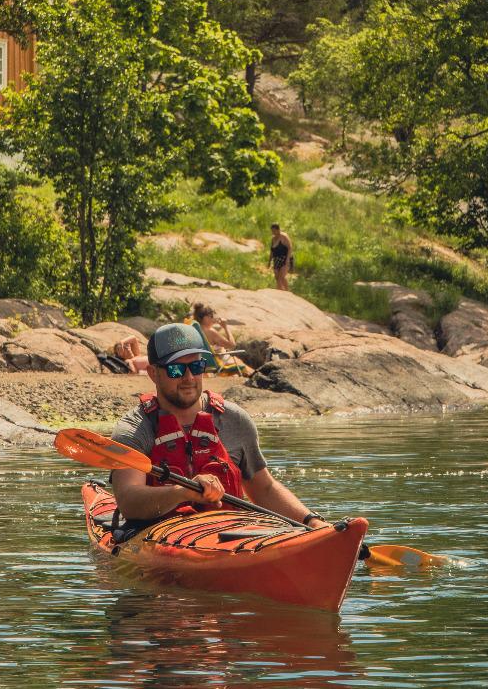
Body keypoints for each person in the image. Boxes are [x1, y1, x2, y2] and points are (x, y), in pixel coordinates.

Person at [109, 323, 326, 531]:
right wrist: (182, 492)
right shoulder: (134, 429)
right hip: (158, 536)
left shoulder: (234, 420)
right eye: (176, 370)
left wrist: (313, 522)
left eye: (196, 367)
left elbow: (265, 489)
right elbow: (129, 501)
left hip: (229, 536)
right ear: (153, 373)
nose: (189, 378)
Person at [188, 303, 251, 376]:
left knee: (237, 360)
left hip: (202, 362)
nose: (214, 318)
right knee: (242, 364)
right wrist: (225, 327)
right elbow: (232, 345)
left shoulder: (193, 329)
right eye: (212, 316)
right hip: (218, 362)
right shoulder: (210, 332)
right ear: (206, 318)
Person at [269, 224, 293, 292]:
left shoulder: (284, 236)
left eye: (274, 230)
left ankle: (287, 291)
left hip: (285, 259)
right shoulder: (273, 238)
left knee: (281, 277)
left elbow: (290, 248)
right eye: (272, 231)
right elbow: (272, 251)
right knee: (277, 277)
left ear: (278, 230)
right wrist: (269, 261)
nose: (273, 232)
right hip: (276, 259)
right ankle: (280, 291)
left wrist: (287, 259)